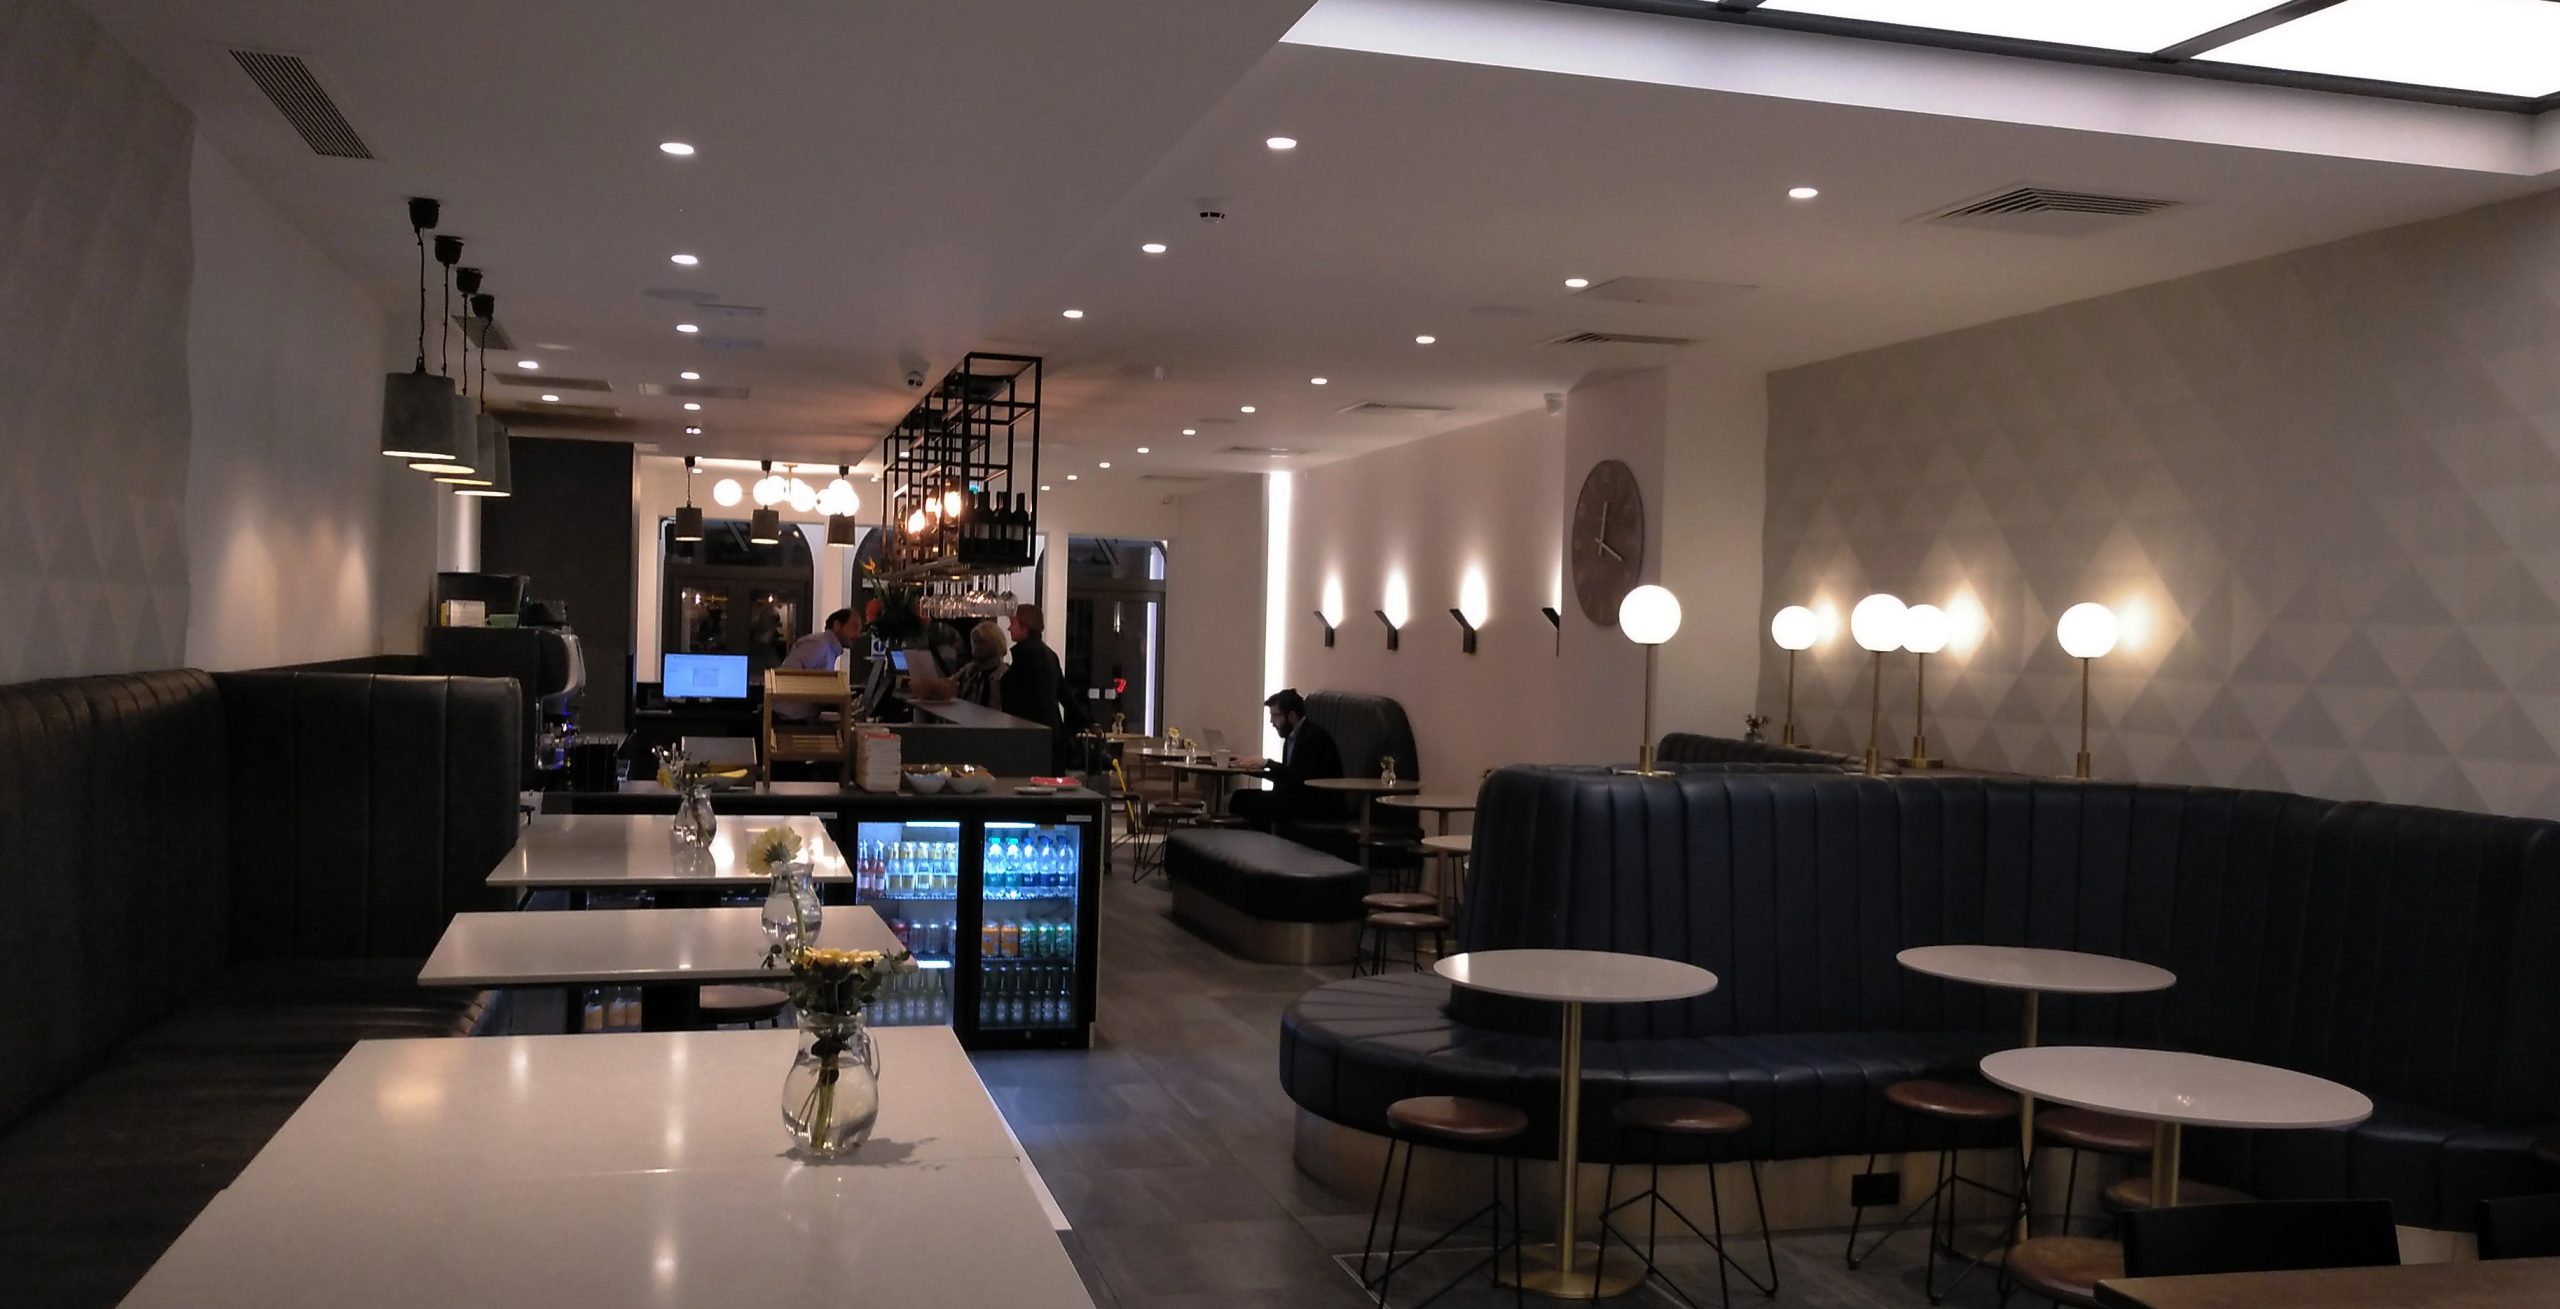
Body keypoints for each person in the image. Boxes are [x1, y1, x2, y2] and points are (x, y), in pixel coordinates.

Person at [1230, 689, 1342, 831]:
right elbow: (1288, 776)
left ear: (1292, 715)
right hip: (1297, 797)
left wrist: (1268, 763)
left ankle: (1260, 842)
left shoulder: (1313, 738)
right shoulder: (1292, 737)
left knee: (1252, 803)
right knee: (1240, 797)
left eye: (1276, 716)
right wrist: (1253, 767)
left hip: (1317, 803)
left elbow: (1302, 778)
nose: (1272, 722)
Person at [1000, 603, 1069, 768]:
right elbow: (1064, 693)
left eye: (1013, 623)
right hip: (1050, 730)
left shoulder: (1026, 655)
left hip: (1031, 734)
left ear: (1025, 627)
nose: (1009, 628)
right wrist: (1088, 721)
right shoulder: (1049, 654)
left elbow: (1019, 698)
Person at [773, 608, 858, 721]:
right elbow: (789, 679)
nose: (858, 634)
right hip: (787, 719)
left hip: (796, 718)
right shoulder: (818, 644)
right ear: (837, 625)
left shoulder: (827, 648)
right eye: (854, 627)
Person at [953, 620, 1008, 708]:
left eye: (982, 642)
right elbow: (948, 685)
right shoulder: (969, 670)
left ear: (994, 644)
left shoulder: (1004, 674)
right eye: (975, 641)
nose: (977, 646)